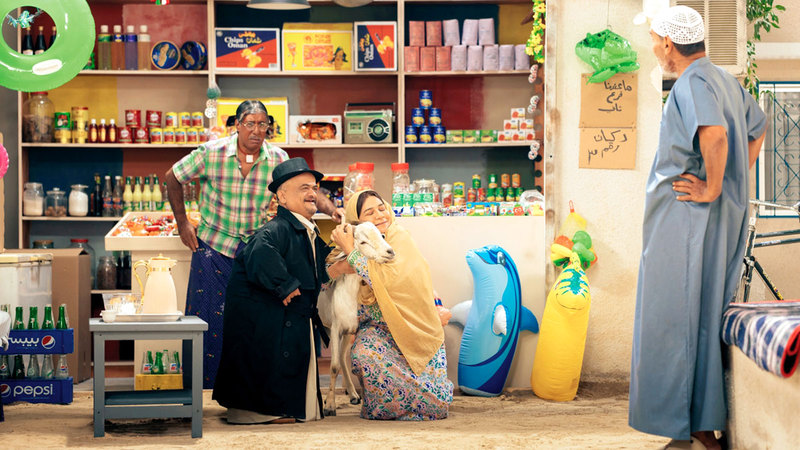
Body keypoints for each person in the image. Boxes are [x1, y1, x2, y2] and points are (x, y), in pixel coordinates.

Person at [629, 6, 767, 450]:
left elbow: (716, 135)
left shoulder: (692, 83)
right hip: (712, 220)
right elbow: (758, 128)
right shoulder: (725, 80)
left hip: (687, 221)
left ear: (669, 44)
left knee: (673, 317)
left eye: (654, 41)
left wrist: (712, 187)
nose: (654, 48)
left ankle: (690, 425)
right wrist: (732, 179)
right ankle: (701, 424)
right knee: (705, 314)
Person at [165, 100, 343, 389]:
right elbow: (172, 177)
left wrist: (332, 209)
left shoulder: (277, 158)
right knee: (207, 323)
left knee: (253, 324)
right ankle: (202, 391)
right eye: (250, 123)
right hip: (213, 249)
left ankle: (247, 393)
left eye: (263, 124)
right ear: (237, 125)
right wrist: (182, 222)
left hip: (255, 254)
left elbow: (306, 189)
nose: (257, 130)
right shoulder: (211, 153)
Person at [213, 157, 351, 424]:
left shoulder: (306, 230)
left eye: (314, 188)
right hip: (269, 321)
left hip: (294, 320)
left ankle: (284, 409)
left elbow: (320, 269)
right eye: (304, 188)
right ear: (282, 197)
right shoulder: (277, 228)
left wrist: (345, 261)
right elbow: (259, 251)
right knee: (264, 370)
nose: (312, 193)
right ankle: (263, 413)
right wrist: (284, 284)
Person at [331, 190, 453, 420]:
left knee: (435, 402)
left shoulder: (400, 238)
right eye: (370, 212)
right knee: (364, 354)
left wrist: (351, 254)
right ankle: (391, 406)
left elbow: (394, 281)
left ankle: (429, 401)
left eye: (381, 208)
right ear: (357, 222)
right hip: (378, 331)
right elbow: (331, 274)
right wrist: (346, 258)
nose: (380, 215)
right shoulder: (357, 246)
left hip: (415, 328)